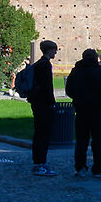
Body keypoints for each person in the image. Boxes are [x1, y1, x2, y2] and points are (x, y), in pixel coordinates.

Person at [67, 47, 101, 177]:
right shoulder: (99, 72)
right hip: (97, 109)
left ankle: (80, 167)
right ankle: (98, 168)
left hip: (81, 109)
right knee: (98, 140)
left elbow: (69, 90)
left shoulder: (76, 71)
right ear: (95, 58)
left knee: (81, 141)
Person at [22, 41, 59, 176]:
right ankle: (40, 163)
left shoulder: (38, 64)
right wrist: (52, 102)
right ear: (49, 50)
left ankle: (39, 162)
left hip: (37, 102)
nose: (55, 53)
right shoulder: (45, 65)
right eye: (54, 50)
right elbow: (47, 87)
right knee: (44, 134)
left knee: (39, 133)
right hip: (43, 104)